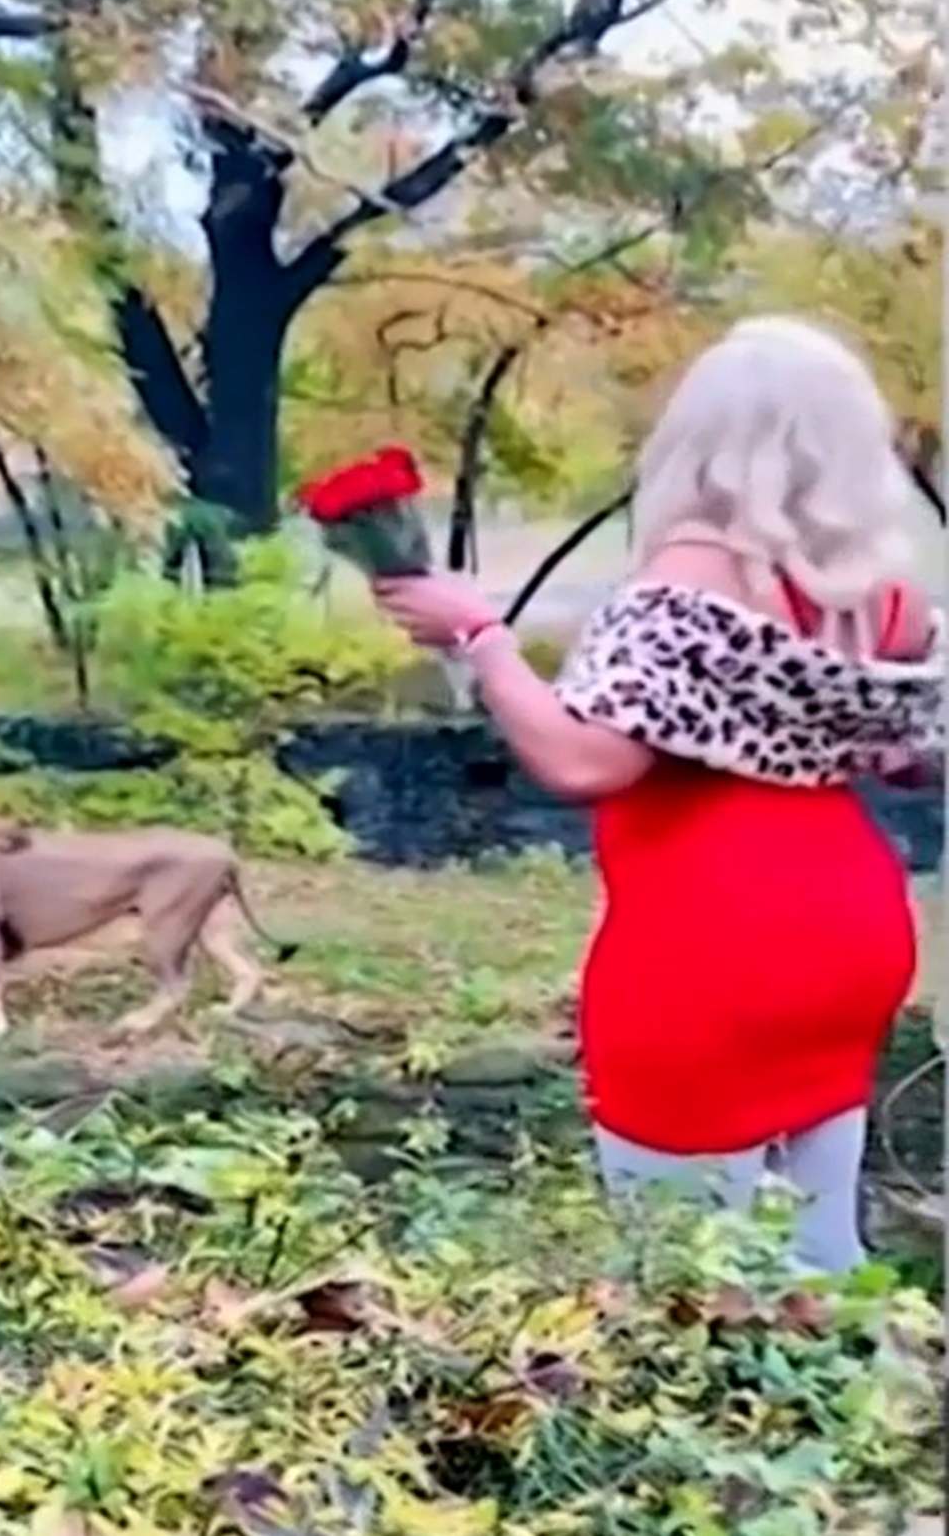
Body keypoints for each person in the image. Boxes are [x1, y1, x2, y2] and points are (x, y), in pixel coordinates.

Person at [373, 316, 942, 1274]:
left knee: (681, 1274)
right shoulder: (888, 599)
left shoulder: (685, 584)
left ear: (702, 441)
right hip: (851, 928)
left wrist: (482, 636)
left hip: (711, 943)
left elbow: (588, 761)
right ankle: (848, 1400)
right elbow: (913, 757)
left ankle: (720, 1411)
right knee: (818, 1249)